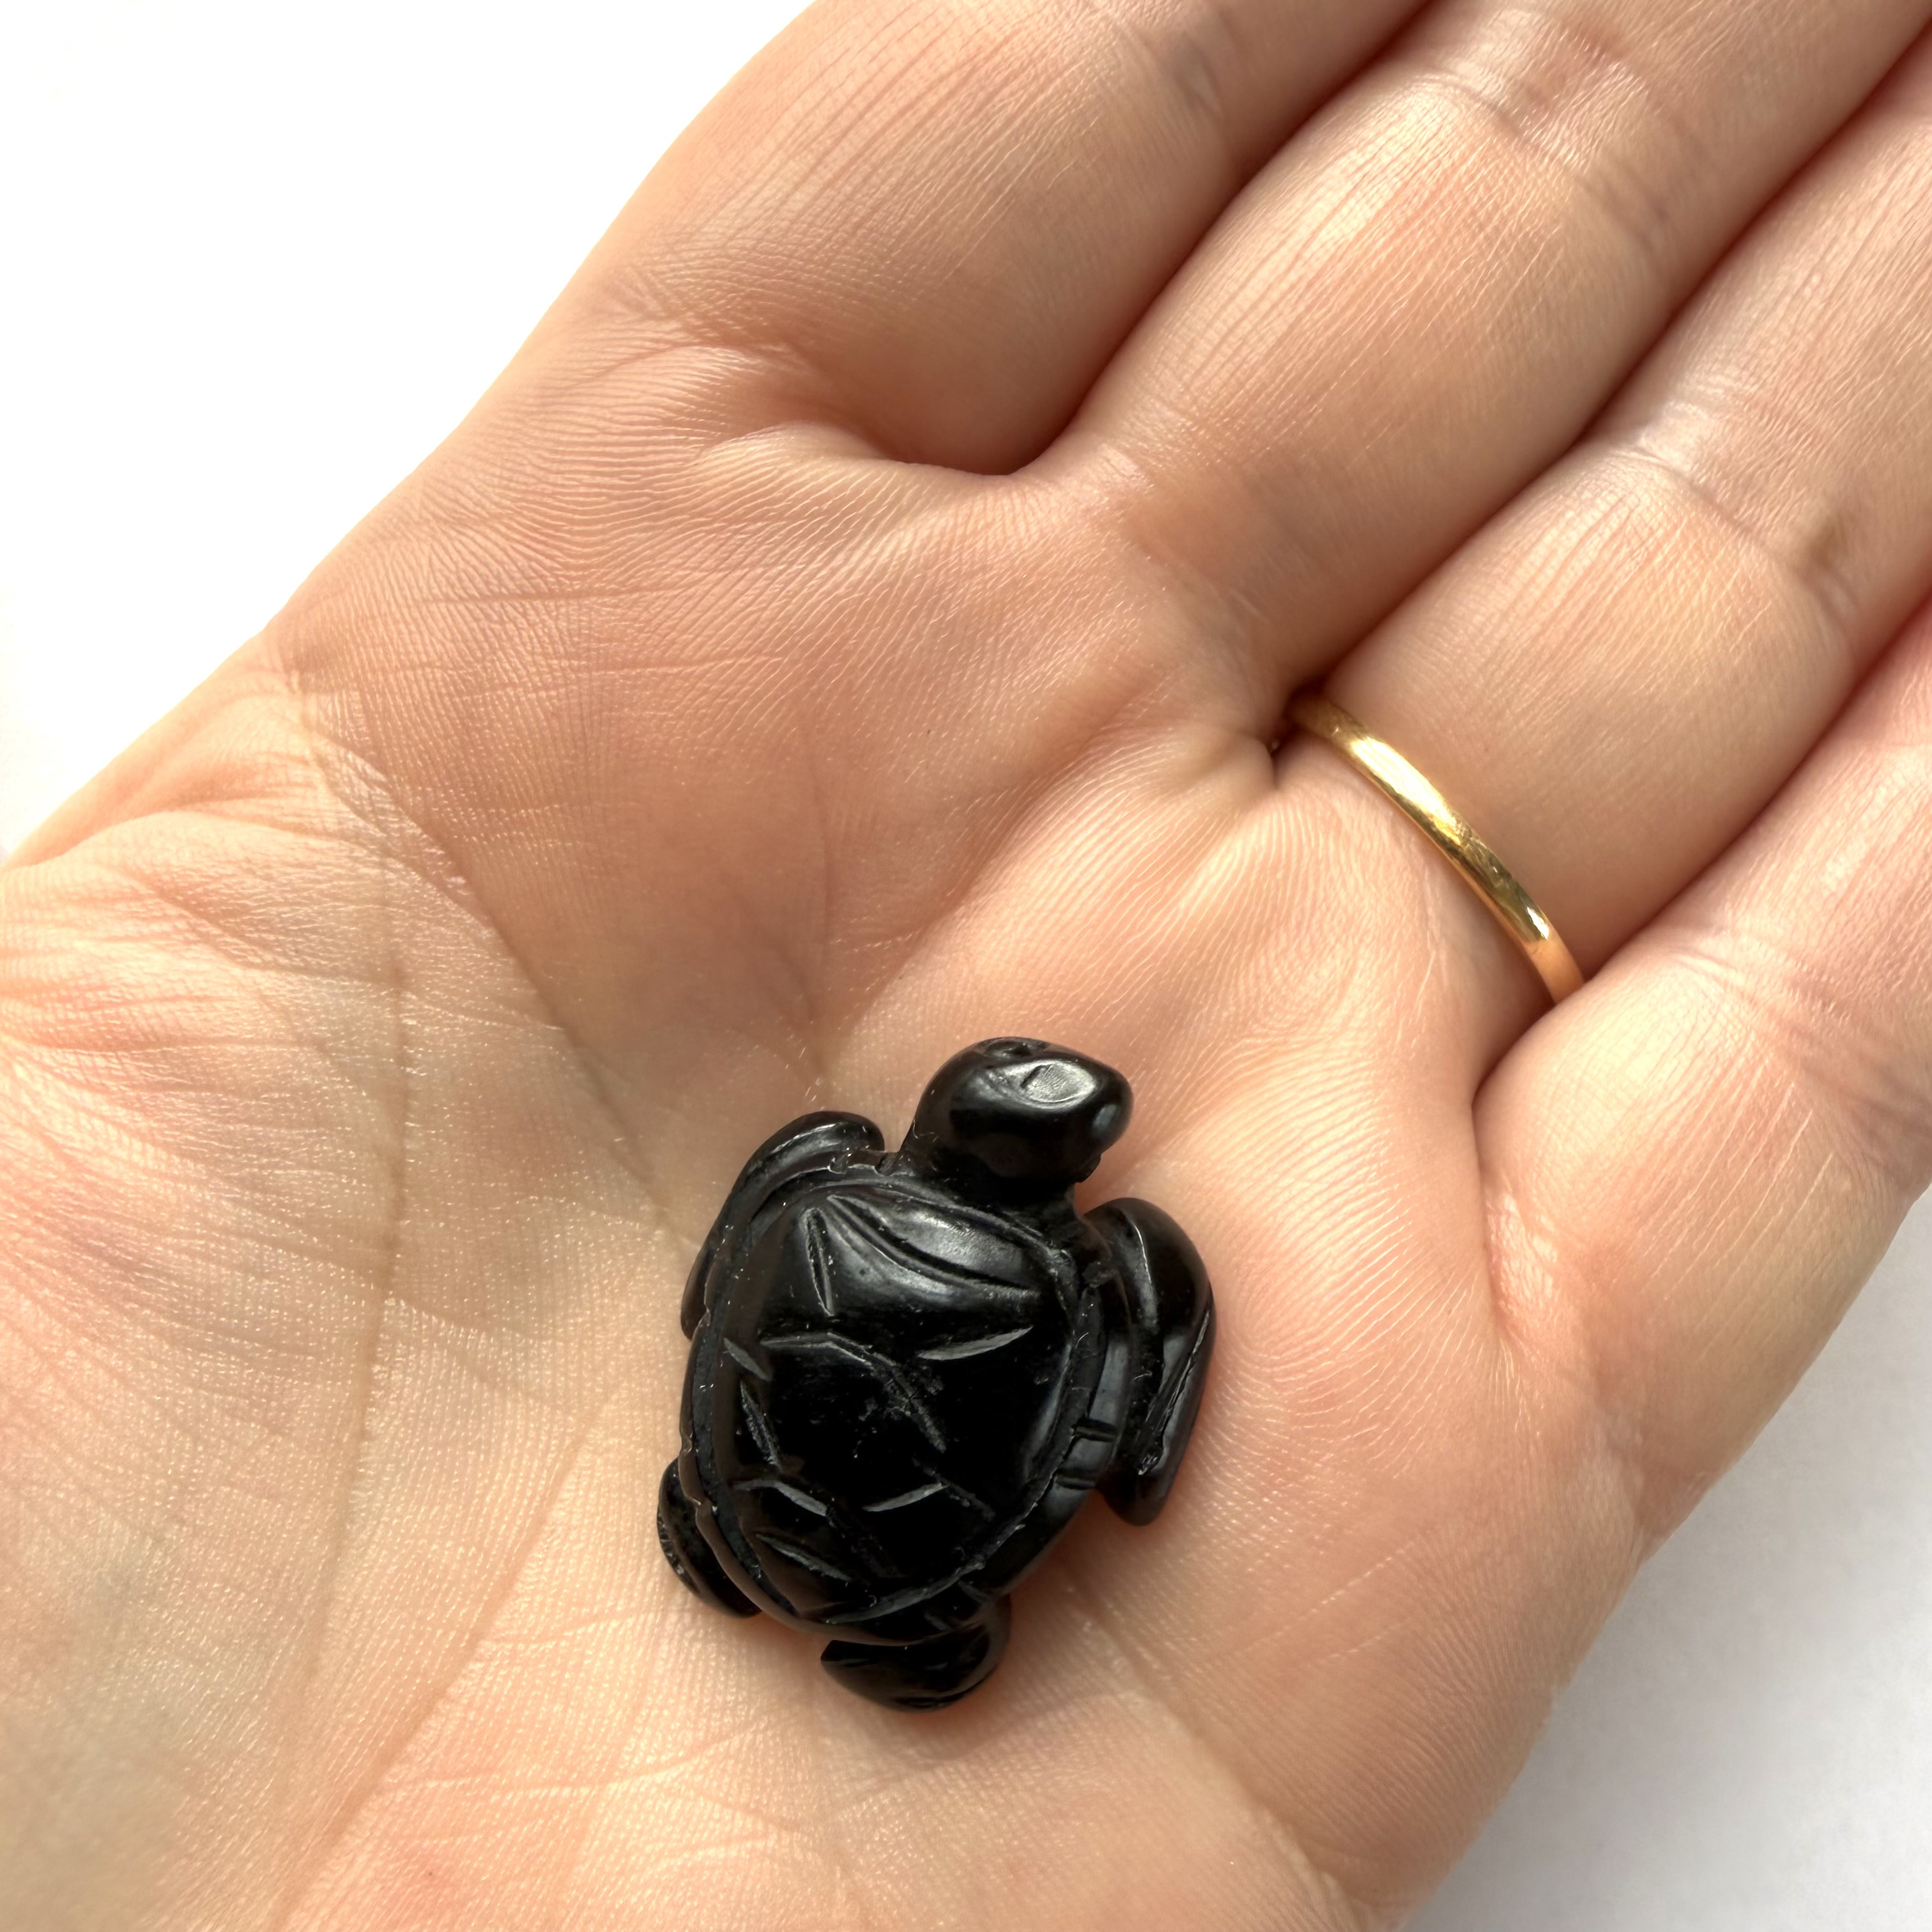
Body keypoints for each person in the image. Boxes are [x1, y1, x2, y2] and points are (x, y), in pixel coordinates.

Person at [4, 0, 1932, 1924]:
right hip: (895, 1548)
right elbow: (1114, 1410)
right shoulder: (1092, 1268)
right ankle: (873, 1606)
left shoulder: (831, 1178)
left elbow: (746, 1270)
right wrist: (1133, 1454)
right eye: (1071, 1119)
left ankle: (738, 1538)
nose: (1090, 1122)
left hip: (748, 1478)